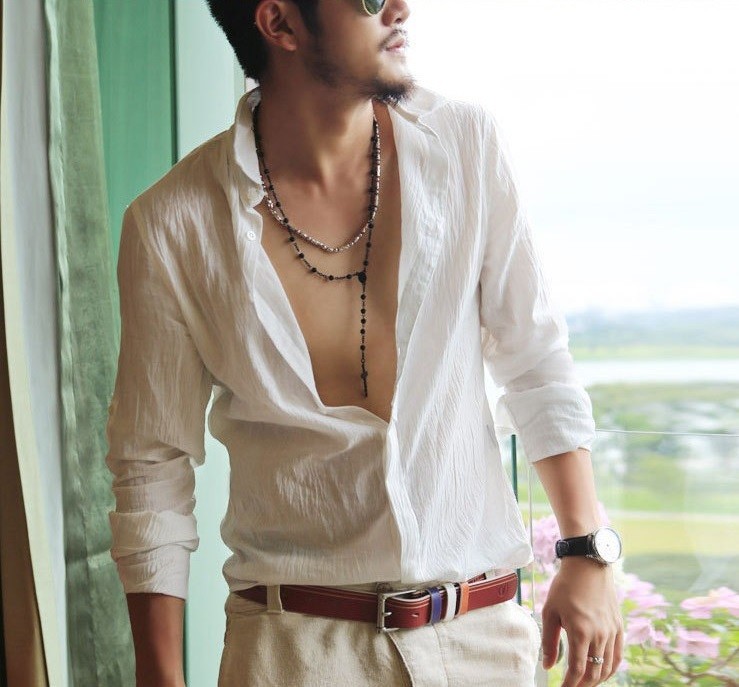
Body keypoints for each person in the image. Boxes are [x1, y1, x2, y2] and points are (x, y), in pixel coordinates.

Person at [105, 0, 623, 685]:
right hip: (292, 652)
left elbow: (534, 359)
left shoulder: (465, 146)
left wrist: (586, 549)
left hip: (481, 642)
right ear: (280, 25)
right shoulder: (172, 225)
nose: (401, 8)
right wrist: (159, 675)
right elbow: (151, 467)